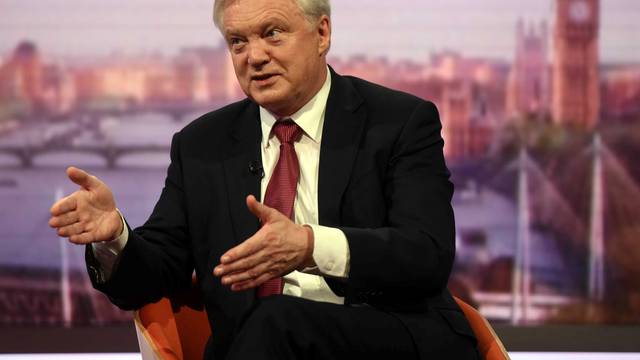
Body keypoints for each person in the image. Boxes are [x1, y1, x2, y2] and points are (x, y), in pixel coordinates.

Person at [49, 0, 479, 359]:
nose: (254, 56)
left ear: (322, 34)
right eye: (238, 42)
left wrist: (310, 246)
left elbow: (427, 255)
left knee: (278, 319)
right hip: (257, 346)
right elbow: (155, 274)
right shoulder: (201, 145)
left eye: (272, 33)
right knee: (270, 324)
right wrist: (114, 238)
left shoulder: (400, 122)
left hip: (391, 339)